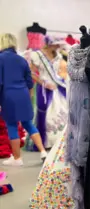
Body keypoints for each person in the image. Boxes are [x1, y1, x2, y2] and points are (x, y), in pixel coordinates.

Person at [0, 33, 47, 166]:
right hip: (23, 94)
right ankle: (43, 152)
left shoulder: (0, 59)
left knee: (11, 125)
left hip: (8, 95)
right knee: (28, 124)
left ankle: (17, 158)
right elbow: (30, 82)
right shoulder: (21, 60)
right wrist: (29, 95)